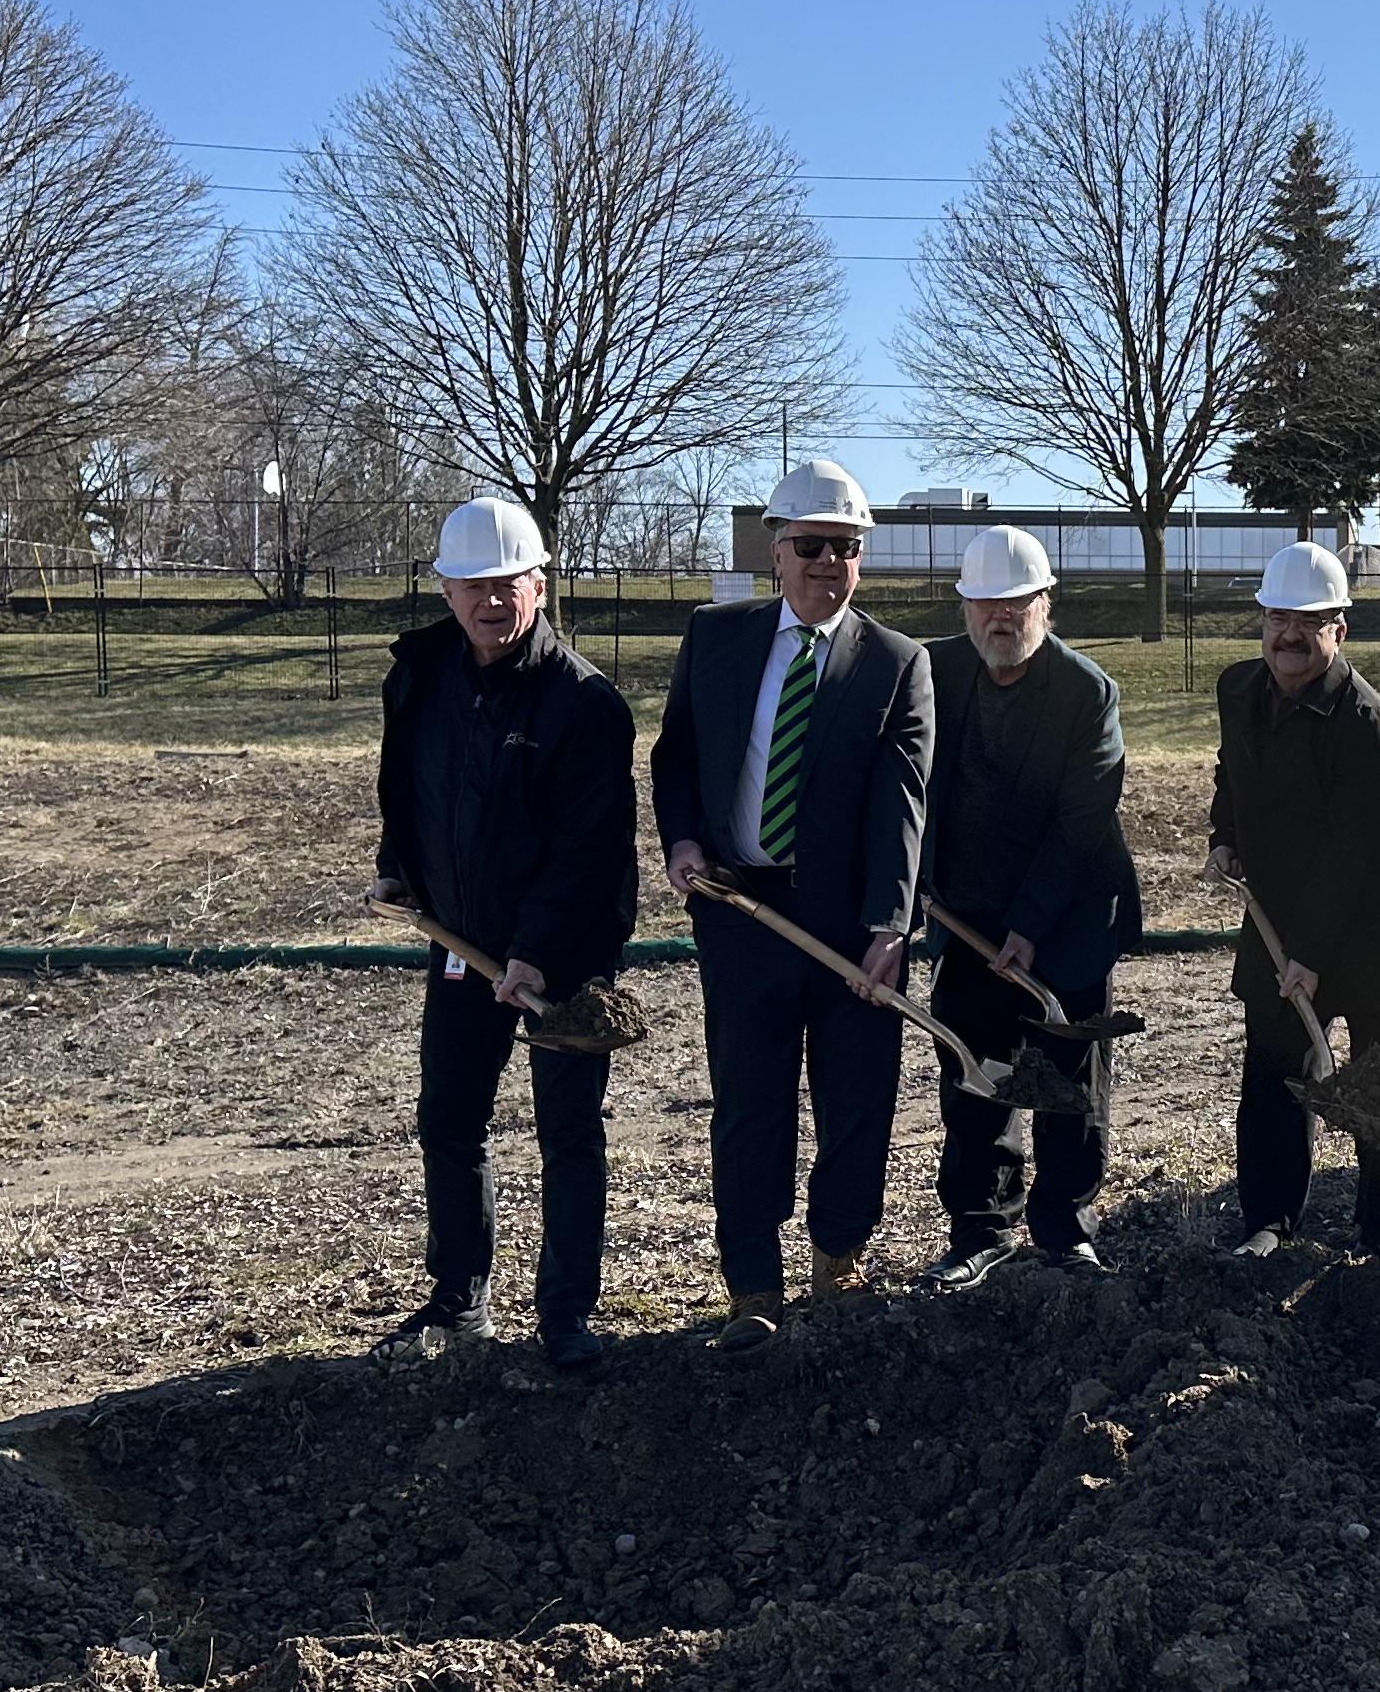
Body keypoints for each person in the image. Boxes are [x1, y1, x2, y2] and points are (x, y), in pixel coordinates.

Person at [648, 459, 933, 1349]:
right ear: (776, 552)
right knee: (750, 1099)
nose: (827, 563)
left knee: (857, 1096)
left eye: (845, 549)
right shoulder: (717, 637)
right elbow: (676, 755)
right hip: (743, 915)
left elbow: (904, 804)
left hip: (851, 927)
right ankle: (752, 1283)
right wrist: (683, 840)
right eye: (811, 546)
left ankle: (840, 1255)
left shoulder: (895, 664)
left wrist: (893, 925)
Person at [366, 494, 638, 1371]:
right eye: (473, 584)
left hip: (563, 955)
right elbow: (410, 786)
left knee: (567, 1132)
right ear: (445, 589)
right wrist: (398, 864)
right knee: (450, 1118)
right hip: (461, 940)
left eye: (509, 583)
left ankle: (565, 1314)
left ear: (541, 586)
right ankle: (459, 1301)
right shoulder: (421, 674)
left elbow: (589, 851)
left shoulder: (584, 702)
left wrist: (537, 952)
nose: (491, 601)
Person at [919, 524, 1143, 1285]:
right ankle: (981, 1229)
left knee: (1069, 1081)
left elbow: (1082, 822)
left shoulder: (1087, 692)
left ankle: (1064, 1228)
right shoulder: (934, 673)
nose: (1000, 617)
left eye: (1017, 602)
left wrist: (1028, 928)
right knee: (975, 1076)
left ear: (1046, 604)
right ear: (965, 609)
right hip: (965, 914)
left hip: (1070, 913)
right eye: (985, 603)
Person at [1207, 540, 1380, 1256]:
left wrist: (1309, 955)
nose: (1290, 634)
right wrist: (1224, 833)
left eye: (1310, 620)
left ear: (1341, 629)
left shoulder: (1369, 726)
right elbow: (1228, 772)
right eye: (1278, 617)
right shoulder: (1238, 690)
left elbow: (1352, 852)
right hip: (1277, 918)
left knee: (1378, 1082)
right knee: (1274, 1077)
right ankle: (1268, 1223)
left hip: (1371, 928)